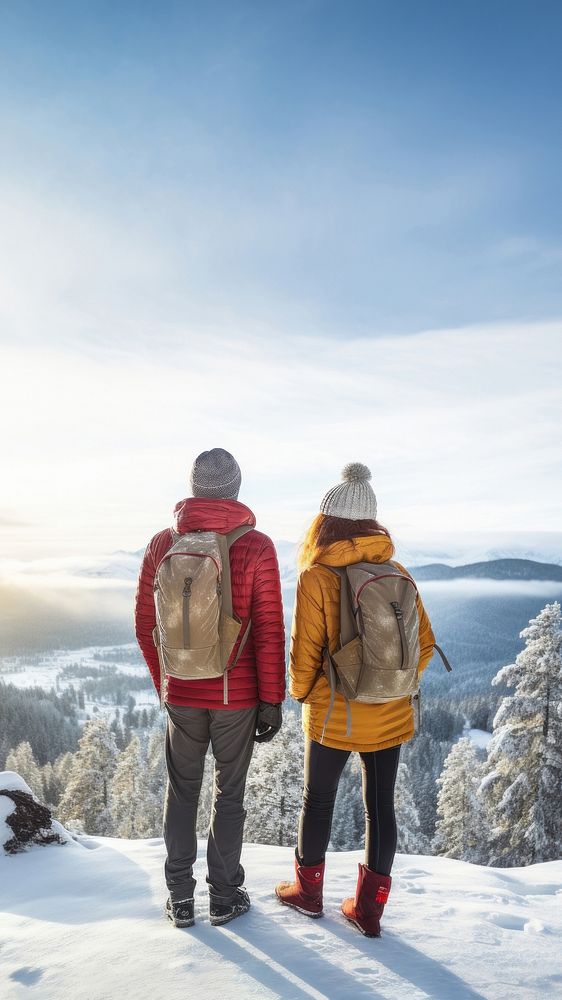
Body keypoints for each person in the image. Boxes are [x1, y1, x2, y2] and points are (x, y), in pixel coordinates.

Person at [275, 463, 435, 937]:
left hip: (334, 711)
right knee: (380, 806)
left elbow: (305, 651)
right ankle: (368, 912)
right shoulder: (397, 571)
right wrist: (390, 684)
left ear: (326, 523)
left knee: (318, 801)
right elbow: (424, 644)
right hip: (392, 711)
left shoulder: (317, 576)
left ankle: (307, 894)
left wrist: (302, 695)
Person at [135, 448, 285, 927]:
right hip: (235, 696)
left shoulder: (163, 543)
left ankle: (180, 897)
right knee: (230, 793)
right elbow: (268, 628)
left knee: (181, 793)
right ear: (236, 489)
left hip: (182, 693)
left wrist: (167, 682)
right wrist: (272, 701)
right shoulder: (256, 545)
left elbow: (145, 622)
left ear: (194, 487)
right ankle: (224, 896)